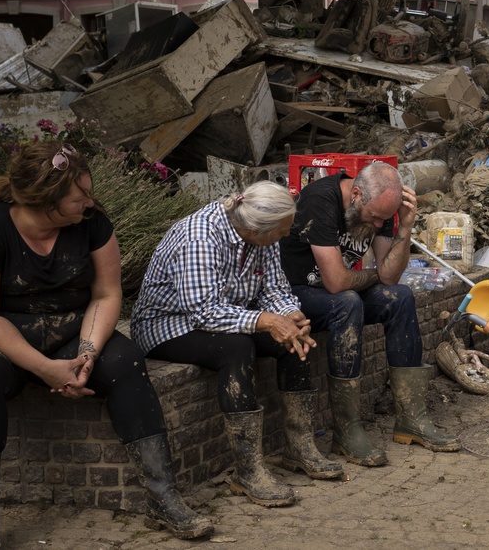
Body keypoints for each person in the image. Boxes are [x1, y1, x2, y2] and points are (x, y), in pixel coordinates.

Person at [0, 141, 212, 549]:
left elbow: (106, 295)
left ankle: (163, 495)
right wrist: (45, 368)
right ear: (46, 201)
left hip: (65, 331)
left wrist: (87, 355)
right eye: (80, 197)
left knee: (126, 360)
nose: (90, 203)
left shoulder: (91, 222)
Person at [131, 182, 339, 508]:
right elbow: (204, 312)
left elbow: (274, 289)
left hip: (225, 316)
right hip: (169, 325)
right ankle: (248, 470)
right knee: (237, 348)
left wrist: (290, 315)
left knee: (293, 340)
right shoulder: (199, 237)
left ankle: (299, 447)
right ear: (256, 231)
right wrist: (267, 321)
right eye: (282, 230)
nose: (286, 235)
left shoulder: (261, 234)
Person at [278, 161, 459, 466]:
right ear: (357, 194)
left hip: (339, 290)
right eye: (374, 217)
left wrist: (404, 226)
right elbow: (338, 282)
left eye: (383, 220)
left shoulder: (382, 208)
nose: (377, 224)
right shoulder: (320, 200)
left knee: (400, 297)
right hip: (293, 294)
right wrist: (374, 275)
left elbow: (391, 276)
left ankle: (411, 418)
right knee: (348, 302)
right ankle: (347, 431)